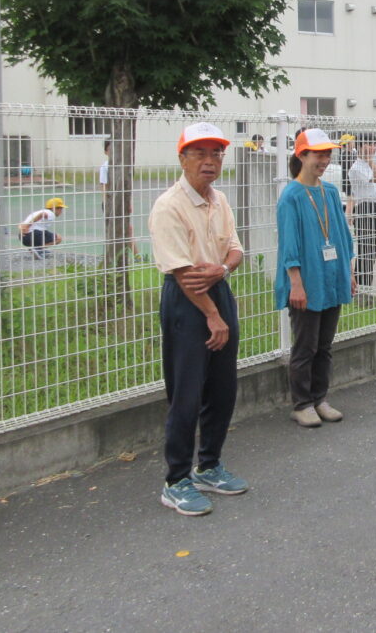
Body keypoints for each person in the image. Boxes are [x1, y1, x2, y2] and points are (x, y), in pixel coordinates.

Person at [148, 122, 247, 517]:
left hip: (218, 291)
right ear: (183, 159)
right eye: (200, 153)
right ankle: (176, 480)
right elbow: (184, 274)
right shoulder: (169, 206)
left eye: (216, 154)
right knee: (186, 392)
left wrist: (222, 270)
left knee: (223, 388)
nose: (210, 161)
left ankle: (209, 466)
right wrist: (213, 316)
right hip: (186, 302)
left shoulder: (219, 200)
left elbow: (236, 250)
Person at [276, 129, 355, 428]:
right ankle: (302, 404)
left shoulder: (330, 192)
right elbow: (289, 245)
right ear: (302, 155)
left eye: (328, 154)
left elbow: (342, 235)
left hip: (331, 277)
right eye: (318, 154)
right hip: (307, 281)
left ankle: (320, 398)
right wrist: (295, 283)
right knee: (305, 346)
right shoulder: (291, 197)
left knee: (324, 345)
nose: (324, 160)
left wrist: (349, 272)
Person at [347, 132, 376, 291]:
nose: (373, 148)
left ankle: (365, 288)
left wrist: (370, 161)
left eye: (375, 144)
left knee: (372, 250)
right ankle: (361, 288)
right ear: (360, 146)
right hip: (365, 208)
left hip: (375, 207)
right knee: (366, 251)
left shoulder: (368, 164)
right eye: (369, 144)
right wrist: (370, 160)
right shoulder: (356, 168)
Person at [99, 139, 140, 258]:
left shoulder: (122, 166)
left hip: (122, 202)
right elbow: (104, 186)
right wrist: (107, 204)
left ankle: (135, 256)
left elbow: (125, 187)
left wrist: (128, 202)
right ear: (106, 152)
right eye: (110, 149)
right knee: (116, 229)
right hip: (111, 203)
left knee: (126, 229)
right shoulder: (105, 167)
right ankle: (132, 256)